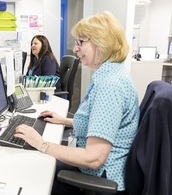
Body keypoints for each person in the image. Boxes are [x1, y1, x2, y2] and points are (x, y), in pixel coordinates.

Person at [14, 11, 140, 195]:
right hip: (97, 170)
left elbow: (93, 158)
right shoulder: (111, 74)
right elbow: (105, 124)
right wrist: (65, 121)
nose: (75, 49)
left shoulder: (110, 85)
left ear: (101, 42)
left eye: (81, 42)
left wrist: (41, 143)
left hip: (99, 176)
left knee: (35, 169)